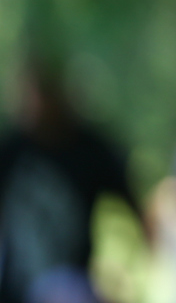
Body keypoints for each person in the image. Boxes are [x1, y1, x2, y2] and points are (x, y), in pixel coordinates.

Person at [0, 55, 145, 303]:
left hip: (71, 286)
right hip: (15, 287)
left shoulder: (89, 150)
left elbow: (131, 198)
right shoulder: (12, 150)